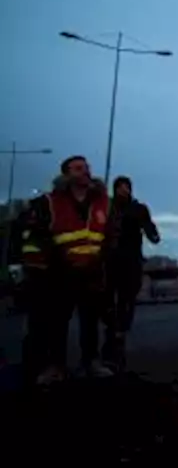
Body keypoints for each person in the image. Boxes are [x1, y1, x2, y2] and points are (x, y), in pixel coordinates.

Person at [21, 155, 113, 384]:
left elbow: (110, 235)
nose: (86, 171)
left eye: (87, 167)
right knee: (57, 321)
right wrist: (42, 270)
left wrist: (104, 264)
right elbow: (37, 237)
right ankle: (56, 366)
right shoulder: (49, 202)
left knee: (90, 320)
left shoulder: (102, 202)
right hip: (59, 272)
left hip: (92, 270)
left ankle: (91, 361)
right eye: (78, 168)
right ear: (66, 174)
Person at [102, 176, 161, 368]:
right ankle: (112, 328)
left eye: (126, 187)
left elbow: (149, 226)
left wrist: (152, 234)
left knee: (128, 297)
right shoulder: (107, 208)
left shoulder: (138, 209)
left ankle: (121, 330)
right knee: (108, 296)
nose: (124, 190)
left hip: (131, 259)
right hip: (110, 259)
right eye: (120, 187)